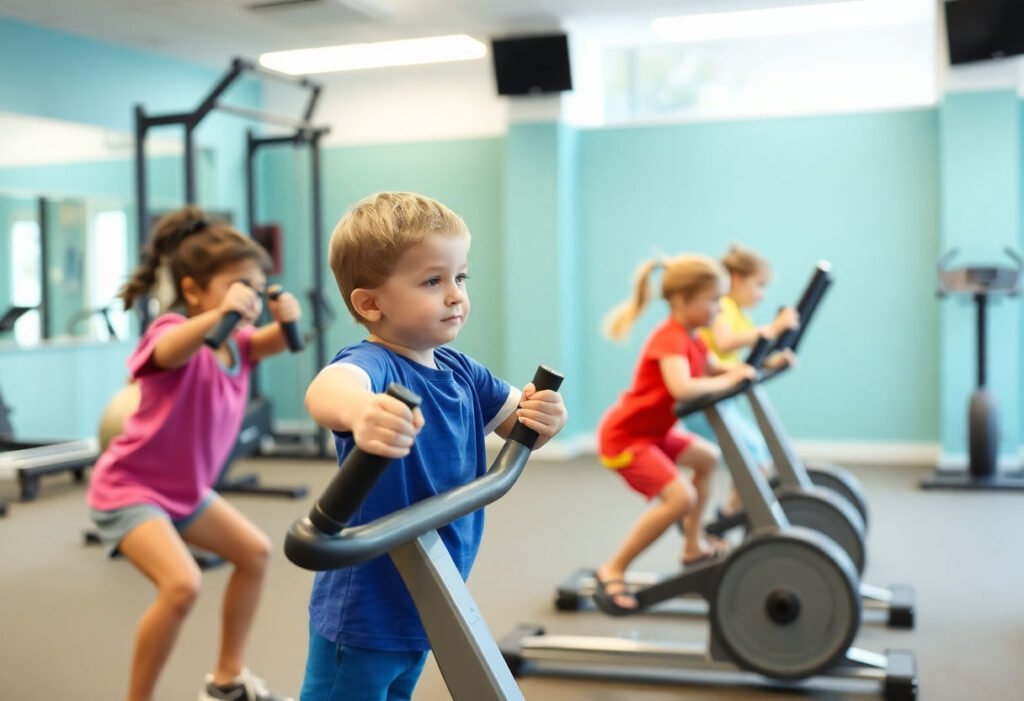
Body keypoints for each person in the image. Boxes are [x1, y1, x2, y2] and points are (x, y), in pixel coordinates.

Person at [300, 191, 567, 701]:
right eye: (432, 281)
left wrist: (547, 414)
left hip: (432, 590)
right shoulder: (375, 365)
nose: (455, 295)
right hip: (368, 608)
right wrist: (362, 411)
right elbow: (327, 390)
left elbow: (519, 417)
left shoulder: (461, 371)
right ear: (370, 303)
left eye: (460, 277)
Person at [86, 206, 300, 701]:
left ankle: (227, 680)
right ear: (192, 291)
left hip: (183, 492)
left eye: (257, 286)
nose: (251, 296)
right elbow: (170, 350)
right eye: (238, 285)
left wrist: (290, 317)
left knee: (254, 552)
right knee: (182, 584)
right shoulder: (170, 333)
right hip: (129, 490)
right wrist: (217, 317)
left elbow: (281, 342)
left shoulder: (239, 346)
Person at [593, 254, 758, 613]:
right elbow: (681, 387)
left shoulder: (693, 338)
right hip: (626, 438)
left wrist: (758, 366)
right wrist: (729, 378)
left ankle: (692, 545)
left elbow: (717, 368)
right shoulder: (668, 338)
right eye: (713, 300)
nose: (719, 308)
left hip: (654, 432)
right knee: (679, 498)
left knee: (707, 458)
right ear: (684, 301)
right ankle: (613, 567)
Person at [693, 243, 799, 516]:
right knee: (752, 459)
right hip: (704, 399)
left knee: (756, 457)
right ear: (737, 279)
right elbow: (724, 342)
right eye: (759, 285)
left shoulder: (741, 315)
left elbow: (743, 360)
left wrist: (771, 361)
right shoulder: (721, 306)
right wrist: (772, 329)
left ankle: (732, 515)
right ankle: (729, 517)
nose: (762, 295)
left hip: (722, 399)